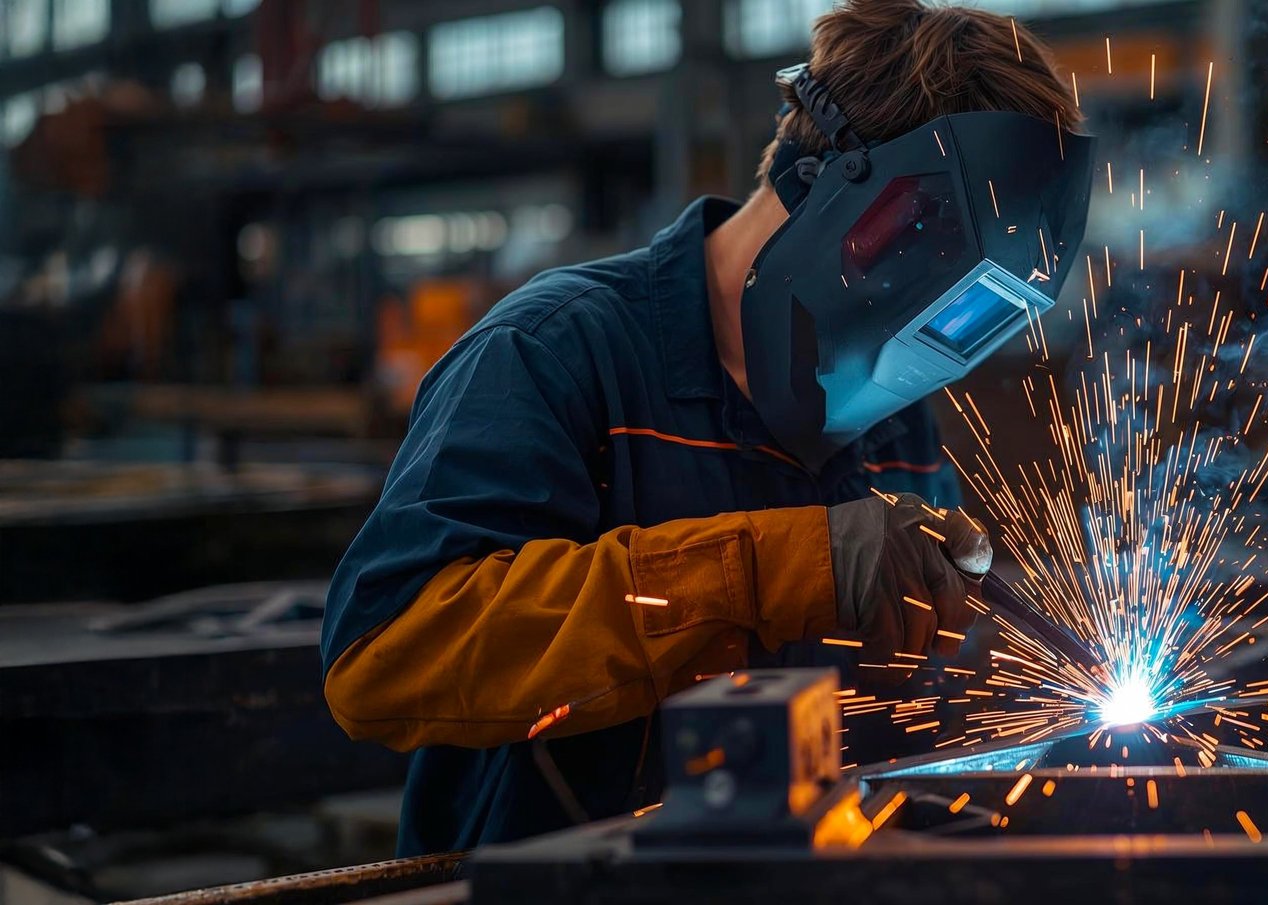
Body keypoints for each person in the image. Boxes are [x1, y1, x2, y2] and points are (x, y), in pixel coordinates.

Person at [320, 0, 1091, 855]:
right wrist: (776, 569)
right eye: (932, 278)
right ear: (834, 194)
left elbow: (893, 708)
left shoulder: (895, 428)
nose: (933, 338)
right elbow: (384, 657)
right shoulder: (558, 351)